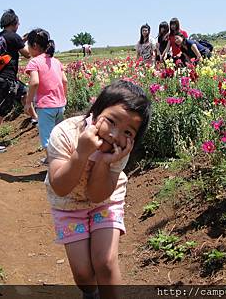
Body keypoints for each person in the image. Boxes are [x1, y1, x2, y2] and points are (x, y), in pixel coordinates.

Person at [46, 80, 151, 299]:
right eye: (111, 121)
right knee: (84, 274)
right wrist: (81, 154)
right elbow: (61, 187)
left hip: (106, 201)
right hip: (68, 206)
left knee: (105, 263)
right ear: (95, 111)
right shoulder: (65, 133)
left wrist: (104, 163)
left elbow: (97, 195)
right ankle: (91, 294)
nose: (114, 134)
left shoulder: (120, 150)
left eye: (128, 132)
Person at [0, 9, 30, 152]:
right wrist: (27, 43)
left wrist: (22, 40)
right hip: (6, 79)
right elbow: (27, 54)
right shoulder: (13, 36)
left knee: (24, 92)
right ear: (13, 23)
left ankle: (34, 118)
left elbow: (11, 46)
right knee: (1, 110)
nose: (19, 24)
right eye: (18, 22)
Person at [24, 28, 68, 163]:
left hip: (45, 107)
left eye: (28, 45)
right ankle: (58, 160)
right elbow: (64, 81)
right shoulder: (55, 61)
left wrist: (28, 102)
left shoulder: (34, 62)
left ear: (34, 46)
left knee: (47, 139)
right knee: (58, 136)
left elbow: (34, 82)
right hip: (60, 105)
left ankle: (56, 166)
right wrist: (63, 98)